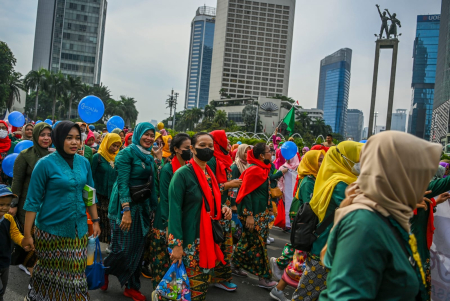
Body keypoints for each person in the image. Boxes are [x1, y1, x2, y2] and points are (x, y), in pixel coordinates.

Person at [320, 131, 441, 300]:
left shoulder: (388, 214)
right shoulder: (364, 225)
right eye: (417, 175)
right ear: (397, 176)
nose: (421, 183)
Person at [22, 121, 100, 301]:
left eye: (77, 138)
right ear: (58, 139)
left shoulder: (84, 163)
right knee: (47, 276)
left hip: (78, 230)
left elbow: (89, 194)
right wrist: (27, 234)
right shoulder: (44, 164)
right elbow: (32, 201)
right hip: (50, 231)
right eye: (69, 138)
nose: (74, 142)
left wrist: (95, 221)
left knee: (76, 279)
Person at [292, 141, 363, 301]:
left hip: (333, 250)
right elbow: (362, 208)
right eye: (358, 158)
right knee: (306, 296)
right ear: (345, 160)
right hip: (325, 250)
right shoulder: (340, 185)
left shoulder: (343, 181)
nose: (362, 163)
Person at [166, 132, 232, 301]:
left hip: (207, 239)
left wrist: (223, 208)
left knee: (199, 289)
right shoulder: (182, 175)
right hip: (189, 242)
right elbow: (174, 211)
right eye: (202, 146)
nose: (207, 149)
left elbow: (209, 203)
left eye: (210, 146)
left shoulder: (209, 175)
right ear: (192, 149)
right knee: (186, 290)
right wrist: (176, 245)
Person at [102, 122, 158, 301]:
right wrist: (126, 210)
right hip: (124, 207)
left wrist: (155, 209)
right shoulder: (126, 153)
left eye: (152, 135)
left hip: (142, 208)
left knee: (139, 250)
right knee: (123, 248)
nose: (149, 138)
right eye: (146, 134)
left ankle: (132, 287)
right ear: (138, 134)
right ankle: (105, 269)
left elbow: (153, 185)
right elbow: (123, 184)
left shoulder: (149, 157)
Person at [269, 150, 325, 301]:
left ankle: (280, 266)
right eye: (319, 160)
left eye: (323, 160)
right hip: (304, 220)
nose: (322, 163)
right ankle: (280, 271)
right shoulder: (309, 181)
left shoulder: (314, 178)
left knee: (299, 249)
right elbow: (310, 205)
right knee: (300, 252)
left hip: (305, 220)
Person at [232, 142, 278, 289]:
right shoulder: (253, 170)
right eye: (269, 151)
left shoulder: (263, 169)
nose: (271, 153)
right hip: (252, 215)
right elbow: (246, 194)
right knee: (259, 246)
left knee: (247, 242)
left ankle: (234, 264)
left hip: (261, 213)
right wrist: (250, 215)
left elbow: (265, 191)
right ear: (261, 155)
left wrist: (270, 208)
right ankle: (264, 278)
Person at [10, 122, 52, 275]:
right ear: (35, 136)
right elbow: (17, 181)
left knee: (43, 234)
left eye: (49, 135)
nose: (46, 138)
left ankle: (36, 263)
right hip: (27, 203)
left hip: (48, 203)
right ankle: (29, 265)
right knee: (30, 234)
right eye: (42, 135)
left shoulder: (56, 155)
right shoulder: (25, 155)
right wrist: (13, 204)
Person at [150, 133, 191, 288]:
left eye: (191, 147)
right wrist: (168, 225)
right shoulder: (168, 169)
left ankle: (173, 294)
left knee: (176, 265)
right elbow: (166, 199)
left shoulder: (188, 168)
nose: (190, 150)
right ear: (176, 149)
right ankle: (159, 293)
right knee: (162, 264)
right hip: (165, 222)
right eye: (187, 148)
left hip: (180, 220)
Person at [208, 130, 241, 291]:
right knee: (220, 245)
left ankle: (219, 277)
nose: (228, 142)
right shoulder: (212, 160)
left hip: (224, 209)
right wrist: (229, 185)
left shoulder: (223, 158)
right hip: (216, 210)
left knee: (225, 246)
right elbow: (208, 186)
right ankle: (217, 278)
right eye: (225, 139)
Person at [91, 133, 122, 246]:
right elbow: (90, 177)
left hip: (112, 196)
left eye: (117, 146)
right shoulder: (98, 157)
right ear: (107, 142)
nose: (115, 148)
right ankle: (97, 247)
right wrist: (93, 198)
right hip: (99, 196)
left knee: (111, 222)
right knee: (100, 221)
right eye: (113, 145)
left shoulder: (118, 158)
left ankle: (109, 246)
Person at [0, 185, 28, 301]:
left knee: (3, 287)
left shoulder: (8, 219)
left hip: (5, 260)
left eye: (8, 204)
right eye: (1, 204)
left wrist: (23, 241)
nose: (5, 208)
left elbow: (15, 234)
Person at [277, 153, 300, 230]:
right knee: (286, 207)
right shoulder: (283, 167)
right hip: (285, 192)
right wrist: (280, 190)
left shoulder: (299, 167)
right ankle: (286, 225)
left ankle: (293, 224)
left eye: (290, 157)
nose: (287, 159)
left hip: (296, 191)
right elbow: (279, 180)